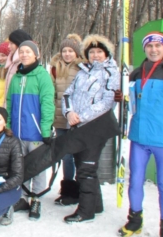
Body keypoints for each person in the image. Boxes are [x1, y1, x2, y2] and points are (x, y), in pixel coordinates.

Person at [60, 34, 119, 223]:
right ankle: (96, 203)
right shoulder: (83, 71)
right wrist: (69, 113)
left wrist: (81, 117)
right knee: (83, 165)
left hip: (95, 127)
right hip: (77, 125)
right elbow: (68, 94)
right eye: (92, 52)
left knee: (86, 168)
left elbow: (106, 102)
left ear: (106, 53)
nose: (95, 55)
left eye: (99, 52)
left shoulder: (111, 72)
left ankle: (86, 210)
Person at [120, 32, 163, 237]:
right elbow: (129, 98)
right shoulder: (137, 72)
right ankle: (135, 219)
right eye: (150, 46)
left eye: (158, 46)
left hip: (162, 139)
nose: (154, 50)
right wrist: (121, 95)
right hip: (138, 137)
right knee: (135, 180)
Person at [6, 40, 55, 220]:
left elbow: (47, 104)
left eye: (28, 51)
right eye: (22, 51)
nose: (24, 54)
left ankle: (37, 198)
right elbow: (10, 103)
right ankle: (24, 196)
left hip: (35, 132)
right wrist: (9, 126)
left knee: (38, 167)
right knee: (21, 165)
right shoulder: (17, 77)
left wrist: (45, 130)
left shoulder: (42, 76)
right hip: (18, 132)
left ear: (36, 54)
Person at [50, 34, 83, 205]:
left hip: (78, 118)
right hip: (61, 119)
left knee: (79, 155)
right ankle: (68, 190)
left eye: (71, 51)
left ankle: (81, 188)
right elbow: (52, 93)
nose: (67, 54)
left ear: (76, 53)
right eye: (65, 51)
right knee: (66, 156)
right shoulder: (56, 67)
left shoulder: (83, 68)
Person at [4, 29, 32, 99]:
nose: (8, 46)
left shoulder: (24, 63)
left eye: (11, 43)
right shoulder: (13, 61)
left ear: (19, 43)